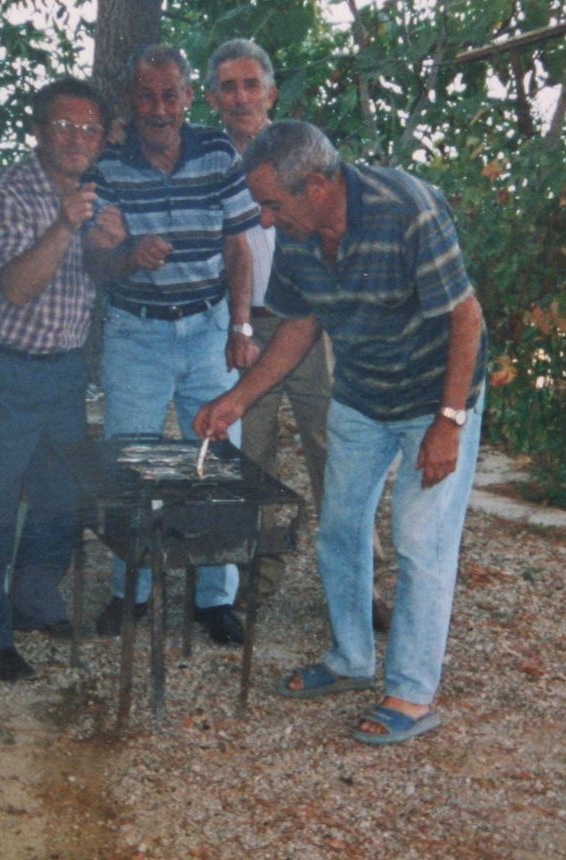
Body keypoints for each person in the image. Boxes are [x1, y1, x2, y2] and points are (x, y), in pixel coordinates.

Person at [194, 120, 487, 744]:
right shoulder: (298, 230)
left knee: (421, 542)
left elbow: (467, 316)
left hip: (434, 396)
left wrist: (449, 421)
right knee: (340, 529)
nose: (265, 220)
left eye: (273, 204)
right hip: (360, 394)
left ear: (319, 185)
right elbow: (299, 325)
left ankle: (412, 694)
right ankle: (351, 659)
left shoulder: (407, 209)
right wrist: (236, 400)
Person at [205, 40, 390, 631]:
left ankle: (361, 585)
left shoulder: (300, 150)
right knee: (249, 457)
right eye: (228, 86)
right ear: (212, 97)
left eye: (250, 84)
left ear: (270, 91)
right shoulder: (206, 156)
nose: (240, 97)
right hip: (242, 326)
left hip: (309, 322)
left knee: (333, 445)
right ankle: (253, 581)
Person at [84, 44, 260, 646]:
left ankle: (215, 598)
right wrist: (129, 256)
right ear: (130, 101)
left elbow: (238, 248)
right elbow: (96, 265)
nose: (159, 109)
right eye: (146, 96)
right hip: (136, 333)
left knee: (216, 461)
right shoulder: (107, 164)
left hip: (209, 327)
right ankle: (128, 590)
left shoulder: (216, 151)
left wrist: (240, 328)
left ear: (188, 97)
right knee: (129, 464)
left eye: (170, 95)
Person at [0, 77, 110, 681]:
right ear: (38, 132)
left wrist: (121, 249)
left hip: (62, 369)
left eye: (90, 129)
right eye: (64, 126)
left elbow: (103, 275)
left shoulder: (96, 194)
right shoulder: (4, 193)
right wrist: (66, 226)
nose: (77, 139)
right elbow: (17, 289)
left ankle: (34, 602)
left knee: (61, 498)